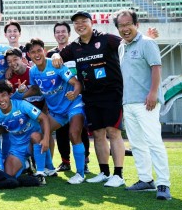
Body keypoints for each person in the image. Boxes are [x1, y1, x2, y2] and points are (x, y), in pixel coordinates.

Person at [51, 10, 126, 188]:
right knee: (98, 134)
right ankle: (104, 172)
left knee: (113, 132)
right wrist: (55, 55)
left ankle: (118, 174)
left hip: (112, 93)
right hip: (90, 96)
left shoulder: (107, 39)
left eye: (83, 21)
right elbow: (58, 55)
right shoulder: (75, 46)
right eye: (76, 23)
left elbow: (128, 43)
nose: (80, 25)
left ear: (91, 23)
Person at [114, 9, 171, 200]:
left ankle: (163, 183)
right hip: (128, 102)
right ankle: (145, 179)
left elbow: (156, 68)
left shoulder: (147, 43)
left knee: (154, 142)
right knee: (137, 144)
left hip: (147, 102)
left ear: (136, 25)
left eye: (128, 24)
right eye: (121, 26)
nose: (125, 28)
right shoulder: (121, 47)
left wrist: (153, 93)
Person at [23, 38, 86, 184]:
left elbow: (76, 83)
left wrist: (74, 93)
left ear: (44, 51)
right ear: (29, 55)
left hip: (73, 104)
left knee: (74, 133)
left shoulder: (55, 64)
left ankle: (80, 174)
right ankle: (49, 168)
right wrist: (17, 95)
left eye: (39, 50)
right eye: (33, 52)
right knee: (38, 133)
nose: (37, 54)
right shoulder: (33, 71)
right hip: (57, 111)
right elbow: (36, 89)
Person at [47, 22, 91, 173]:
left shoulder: (76, 50)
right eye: (57, 32)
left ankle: (84, 161)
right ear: (54, 35)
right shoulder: (50, 54)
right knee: (61, 132)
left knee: (79, 130)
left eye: (63, 31)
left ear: (69, 34)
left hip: (77, 98)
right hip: (59, 100)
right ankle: (65, 161)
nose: (60, 34)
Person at [0, 80, 51, 184]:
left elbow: (44, 118)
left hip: (32, 141)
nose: (1, 100)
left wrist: (46, 139)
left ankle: (40, 173)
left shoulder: (22, 105)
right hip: (16, 147)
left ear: (9, 95)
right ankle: (26, 165)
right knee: (8, 176)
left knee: (35, 136)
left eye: (3, 95)